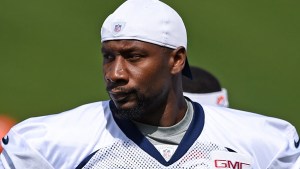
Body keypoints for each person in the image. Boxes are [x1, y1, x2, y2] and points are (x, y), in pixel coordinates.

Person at [1, 0, 299, 168]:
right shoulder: (45, 144)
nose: (115, 73)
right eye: (108, 57)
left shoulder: (266, 143)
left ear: (176, 60)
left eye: (133, 56)